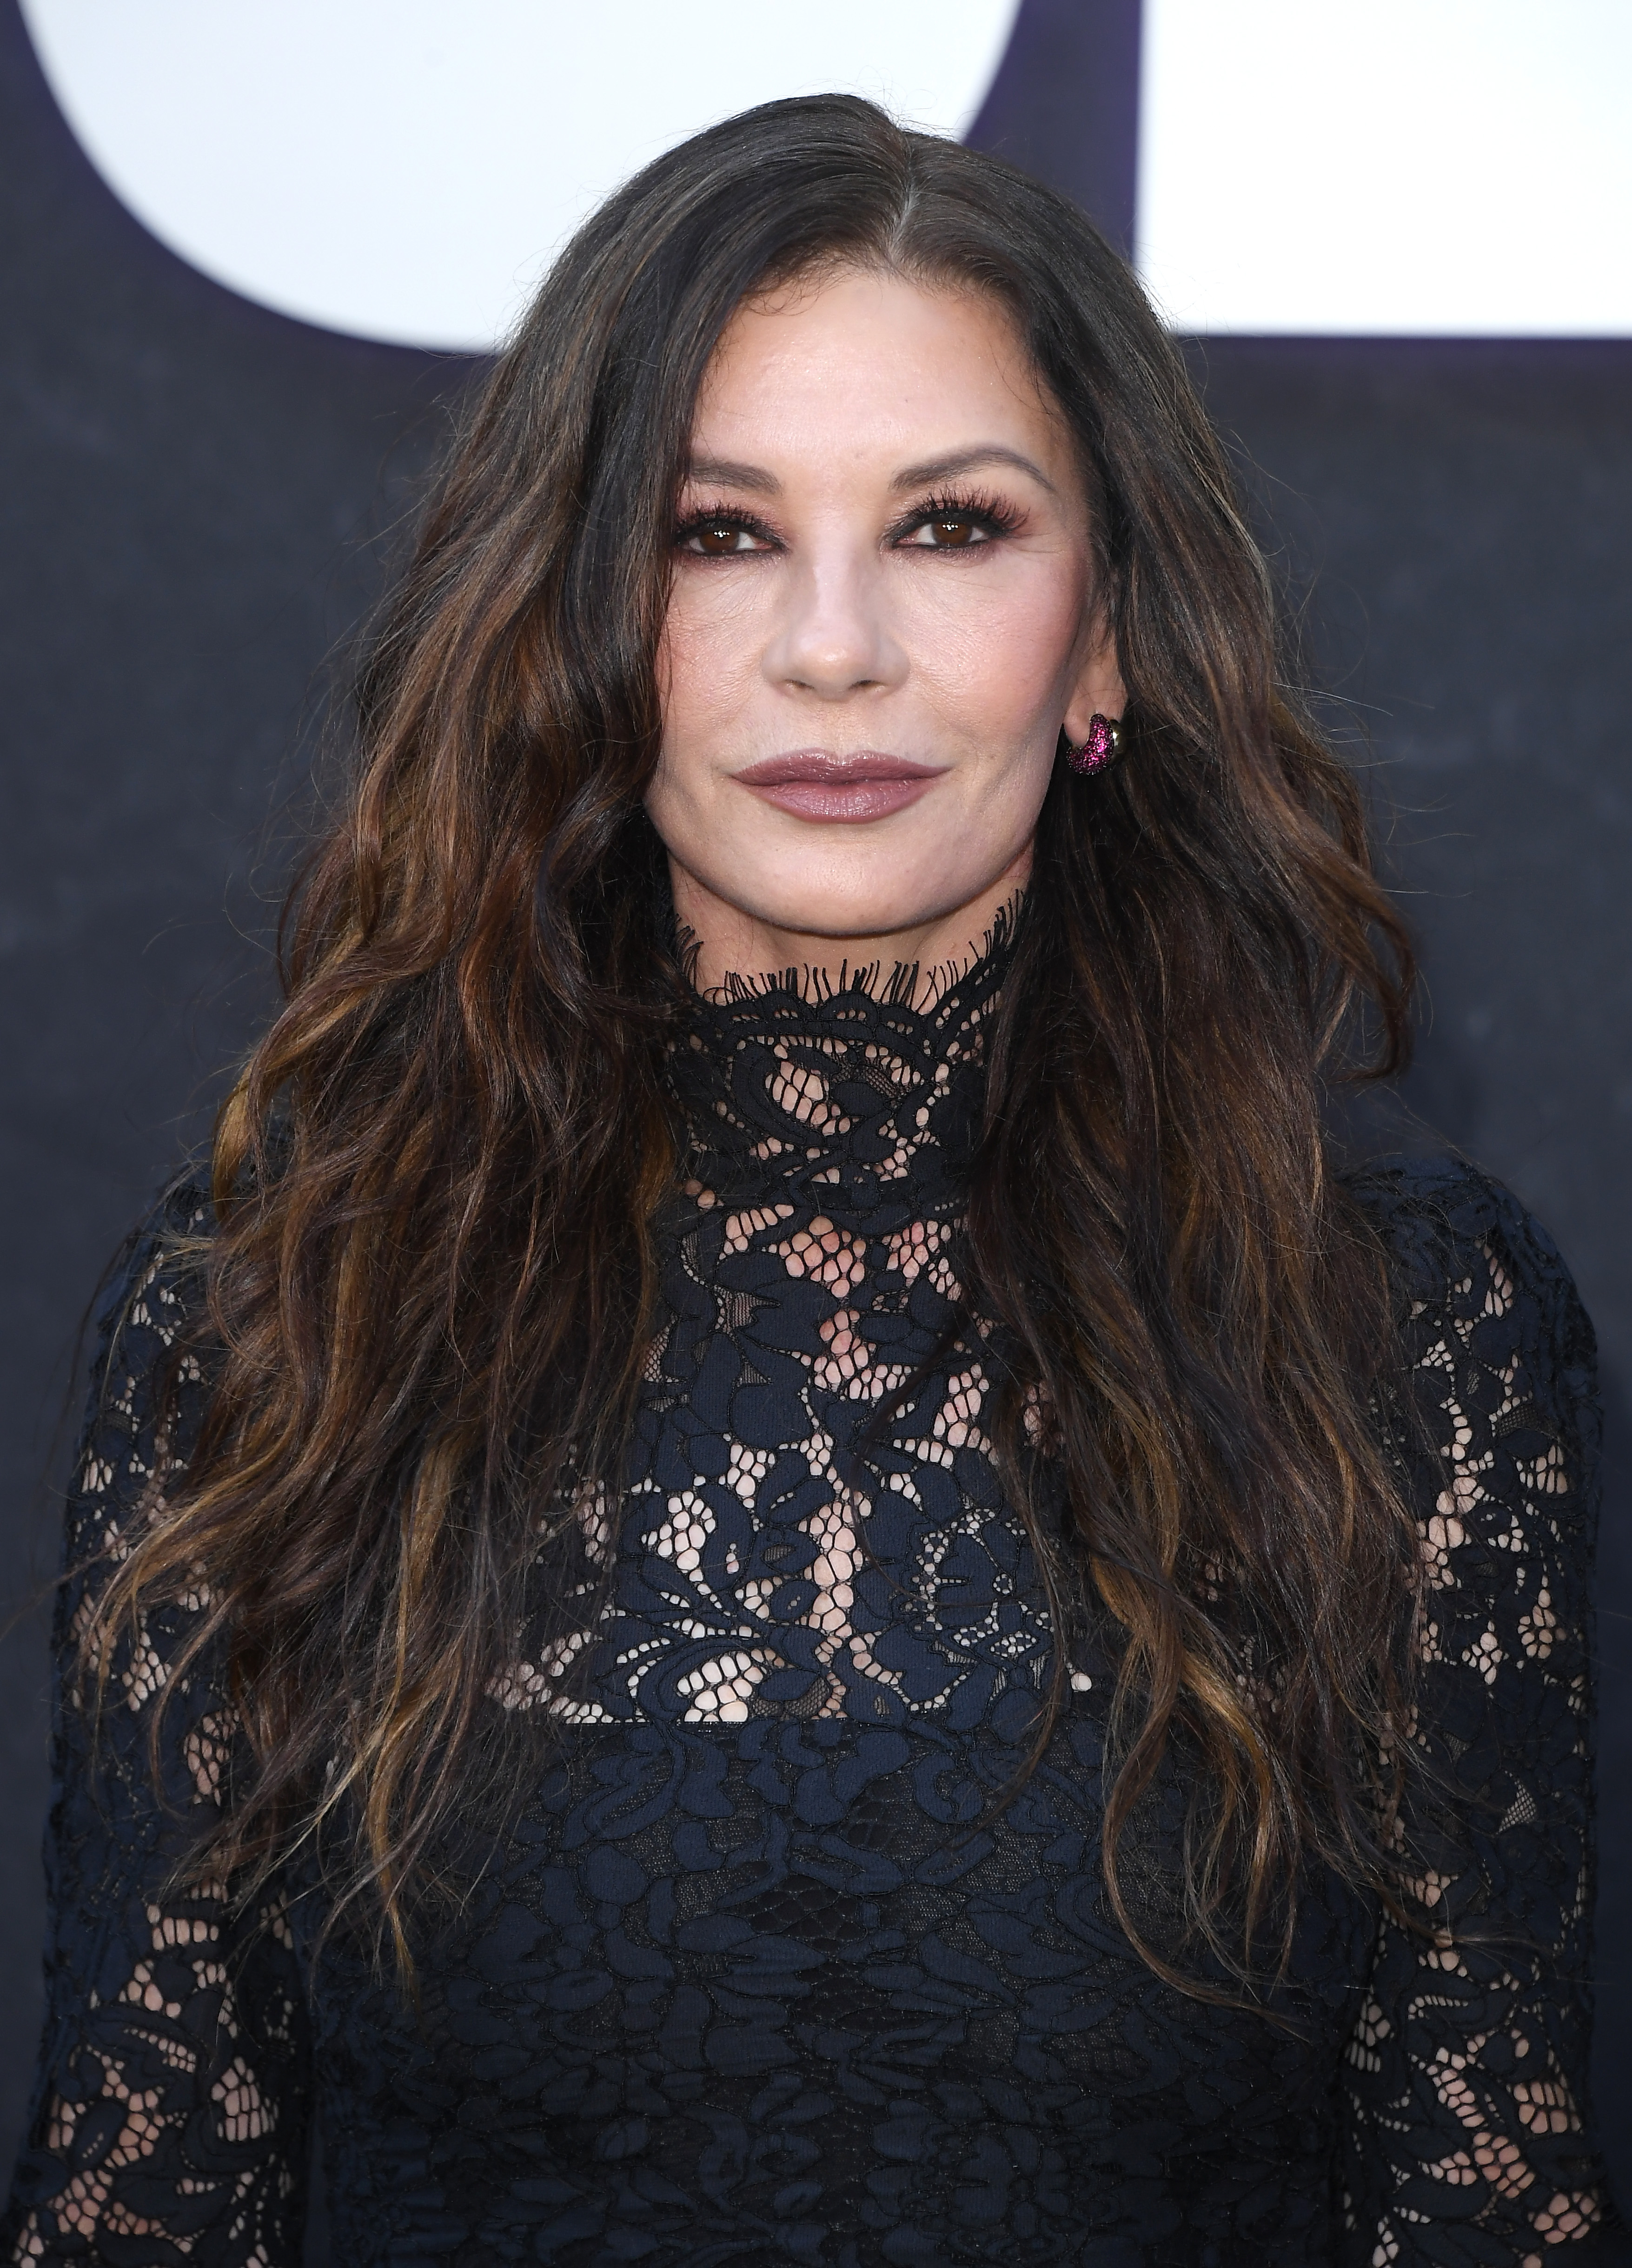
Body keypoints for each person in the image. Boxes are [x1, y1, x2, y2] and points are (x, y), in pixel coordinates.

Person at [2, 93, 1623, 2268]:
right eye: (716, 533)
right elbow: (144, 2205)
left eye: (950, 525)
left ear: (1107, 634)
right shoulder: (272, 1327)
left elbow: (1481, 2191)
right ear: (575, 617)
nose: (832, 645)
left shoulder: (1409, 1337)